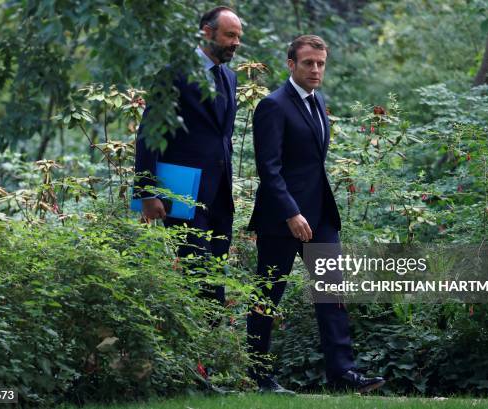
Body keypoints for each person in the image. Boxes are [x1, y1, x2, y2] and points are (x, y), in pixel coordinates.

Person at [246, 35, 385, 394]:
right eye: (308, 63)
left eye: (321, 63)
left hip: (320, 216)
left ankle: (343, 375)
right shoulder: (273, 106)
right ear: (291, 64)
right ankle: (257, 375)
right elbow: (269, 168)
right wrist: (291, 212)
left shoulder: (317, 101)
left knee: (332, 293)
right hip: (281, 218)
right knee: (268, 295)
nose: (316, 69)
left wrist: (311, 211)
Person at [133, 5, 241, 388]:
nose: (235, 43)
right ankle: (192, 369)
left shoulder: (229, 77)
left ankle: (207, 368)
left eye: (238, 36)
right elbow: (148, 134)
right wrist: (146, 192)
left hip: (219, 198)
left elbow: (220, 138)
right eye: (229, 35)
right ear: (206, 33)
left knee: (214, 279)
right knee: (196, 276)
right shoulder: (173, 73)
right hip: (181, 195)